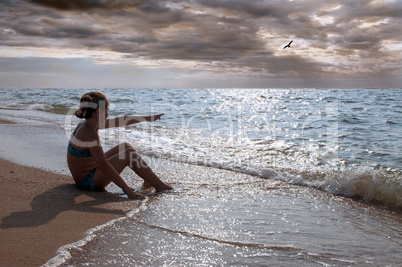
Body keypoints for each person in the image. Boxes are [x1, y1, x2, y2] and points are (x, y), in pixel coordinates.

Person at [67, 91, 172, 199]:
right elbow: (103, 165)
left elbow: (121, 121)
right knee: (127, 154)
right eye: (107, 110)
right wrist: (125, 188)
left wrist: (146, 118)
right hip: (87, 181)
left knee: (125, 146)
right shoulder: (89, 133)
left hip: (90, 172)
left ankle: (149, 180)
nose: (108, 114)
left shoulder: (89, 124)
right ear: (98, 112)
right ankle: (160, 186)